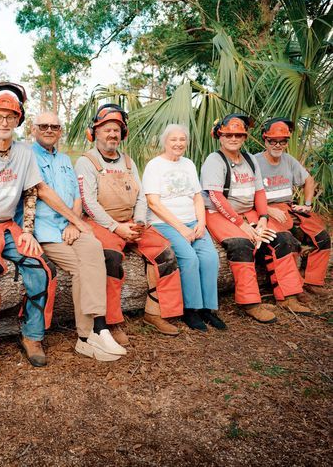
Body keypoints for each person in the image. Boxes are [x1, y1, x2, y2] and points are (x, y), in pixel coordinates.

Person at [0, 82, 85, 381]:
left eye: (11, 116)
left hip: (9, 226)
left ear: (19, 120)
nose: (4, 122)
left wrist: (28, 231)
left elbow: (30, 194)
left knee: (42, 267)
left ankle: (32, 334)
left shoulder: (23, 154)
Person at [75, 104, 184, 344]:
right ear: (95, 132)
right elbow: (88, 202)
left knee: (165, 253)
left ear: (122, 134)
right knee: (110, 260)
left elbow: (140, 195)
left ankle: (156, 312)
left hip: (131, 220)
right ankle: (111, 322)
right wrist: (116, 227)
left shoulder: (128, 161)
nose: (112, 134)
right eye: (106, 130)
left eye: (116, 130)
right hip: (101, 223)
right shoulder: (87, 162)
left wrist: (139, 221)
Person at [29, 111, 126, 361]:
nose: (49, 130)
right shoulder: (27, 155)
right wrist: (74, 221)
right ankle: (87, 335)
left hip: (70, 225)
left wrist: (74, 221)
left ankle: (100, 327)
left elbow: (76, 195)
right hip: (46, 231)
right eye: (44, 126)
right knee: (81, 269)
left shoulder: (63, 159)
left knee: (94, 246)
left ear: (60, 131)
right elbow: (43, 192)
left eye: (55, 126)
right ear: (33, 129)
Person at [200, 113, 310, 323]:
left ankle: (288, 295)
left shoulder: (250, 159)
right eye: (229, 135)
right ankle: (250, 302)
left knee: (283, 239)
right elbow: (216, 197)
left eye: (239, 135)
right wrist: (241, 225)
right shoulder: (214, 160)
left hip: (248, 210)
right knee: (241, 244)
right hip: (218, 213)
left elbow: (260, 192)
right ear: (220, 136)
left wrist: (262, 218)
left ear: (244, 137)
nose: (233, 139)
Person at [142, 124, 224, 332]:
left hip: (192, 222)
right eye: (173, 140)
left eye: (182, 140)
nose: (178, 144)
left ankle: (207, 308)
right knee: (189, 258)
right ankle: (191, 310)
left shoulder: (188, 164)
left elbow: (197, 196)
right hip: (165, 223)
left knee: (210, 257)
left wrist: (201, 223)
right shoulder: (155, 165)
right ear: (165, 142)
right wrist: (181, 228)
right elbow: (153, 203)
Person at [255, 117, 330, 296]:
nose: (277, 145)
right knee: (287, 241)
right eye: (272, 141)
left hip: (288, 206)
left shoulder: (288, 160)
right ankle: (292, 288)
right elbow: (245, 192)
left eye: (282, 141)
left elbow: (308, 180)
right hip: (266, 209)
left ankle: (312, 281)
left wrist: (307, 204)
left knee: (323, 237)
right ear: (265, 140)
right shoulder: (254, 161)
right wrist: (266, 209)